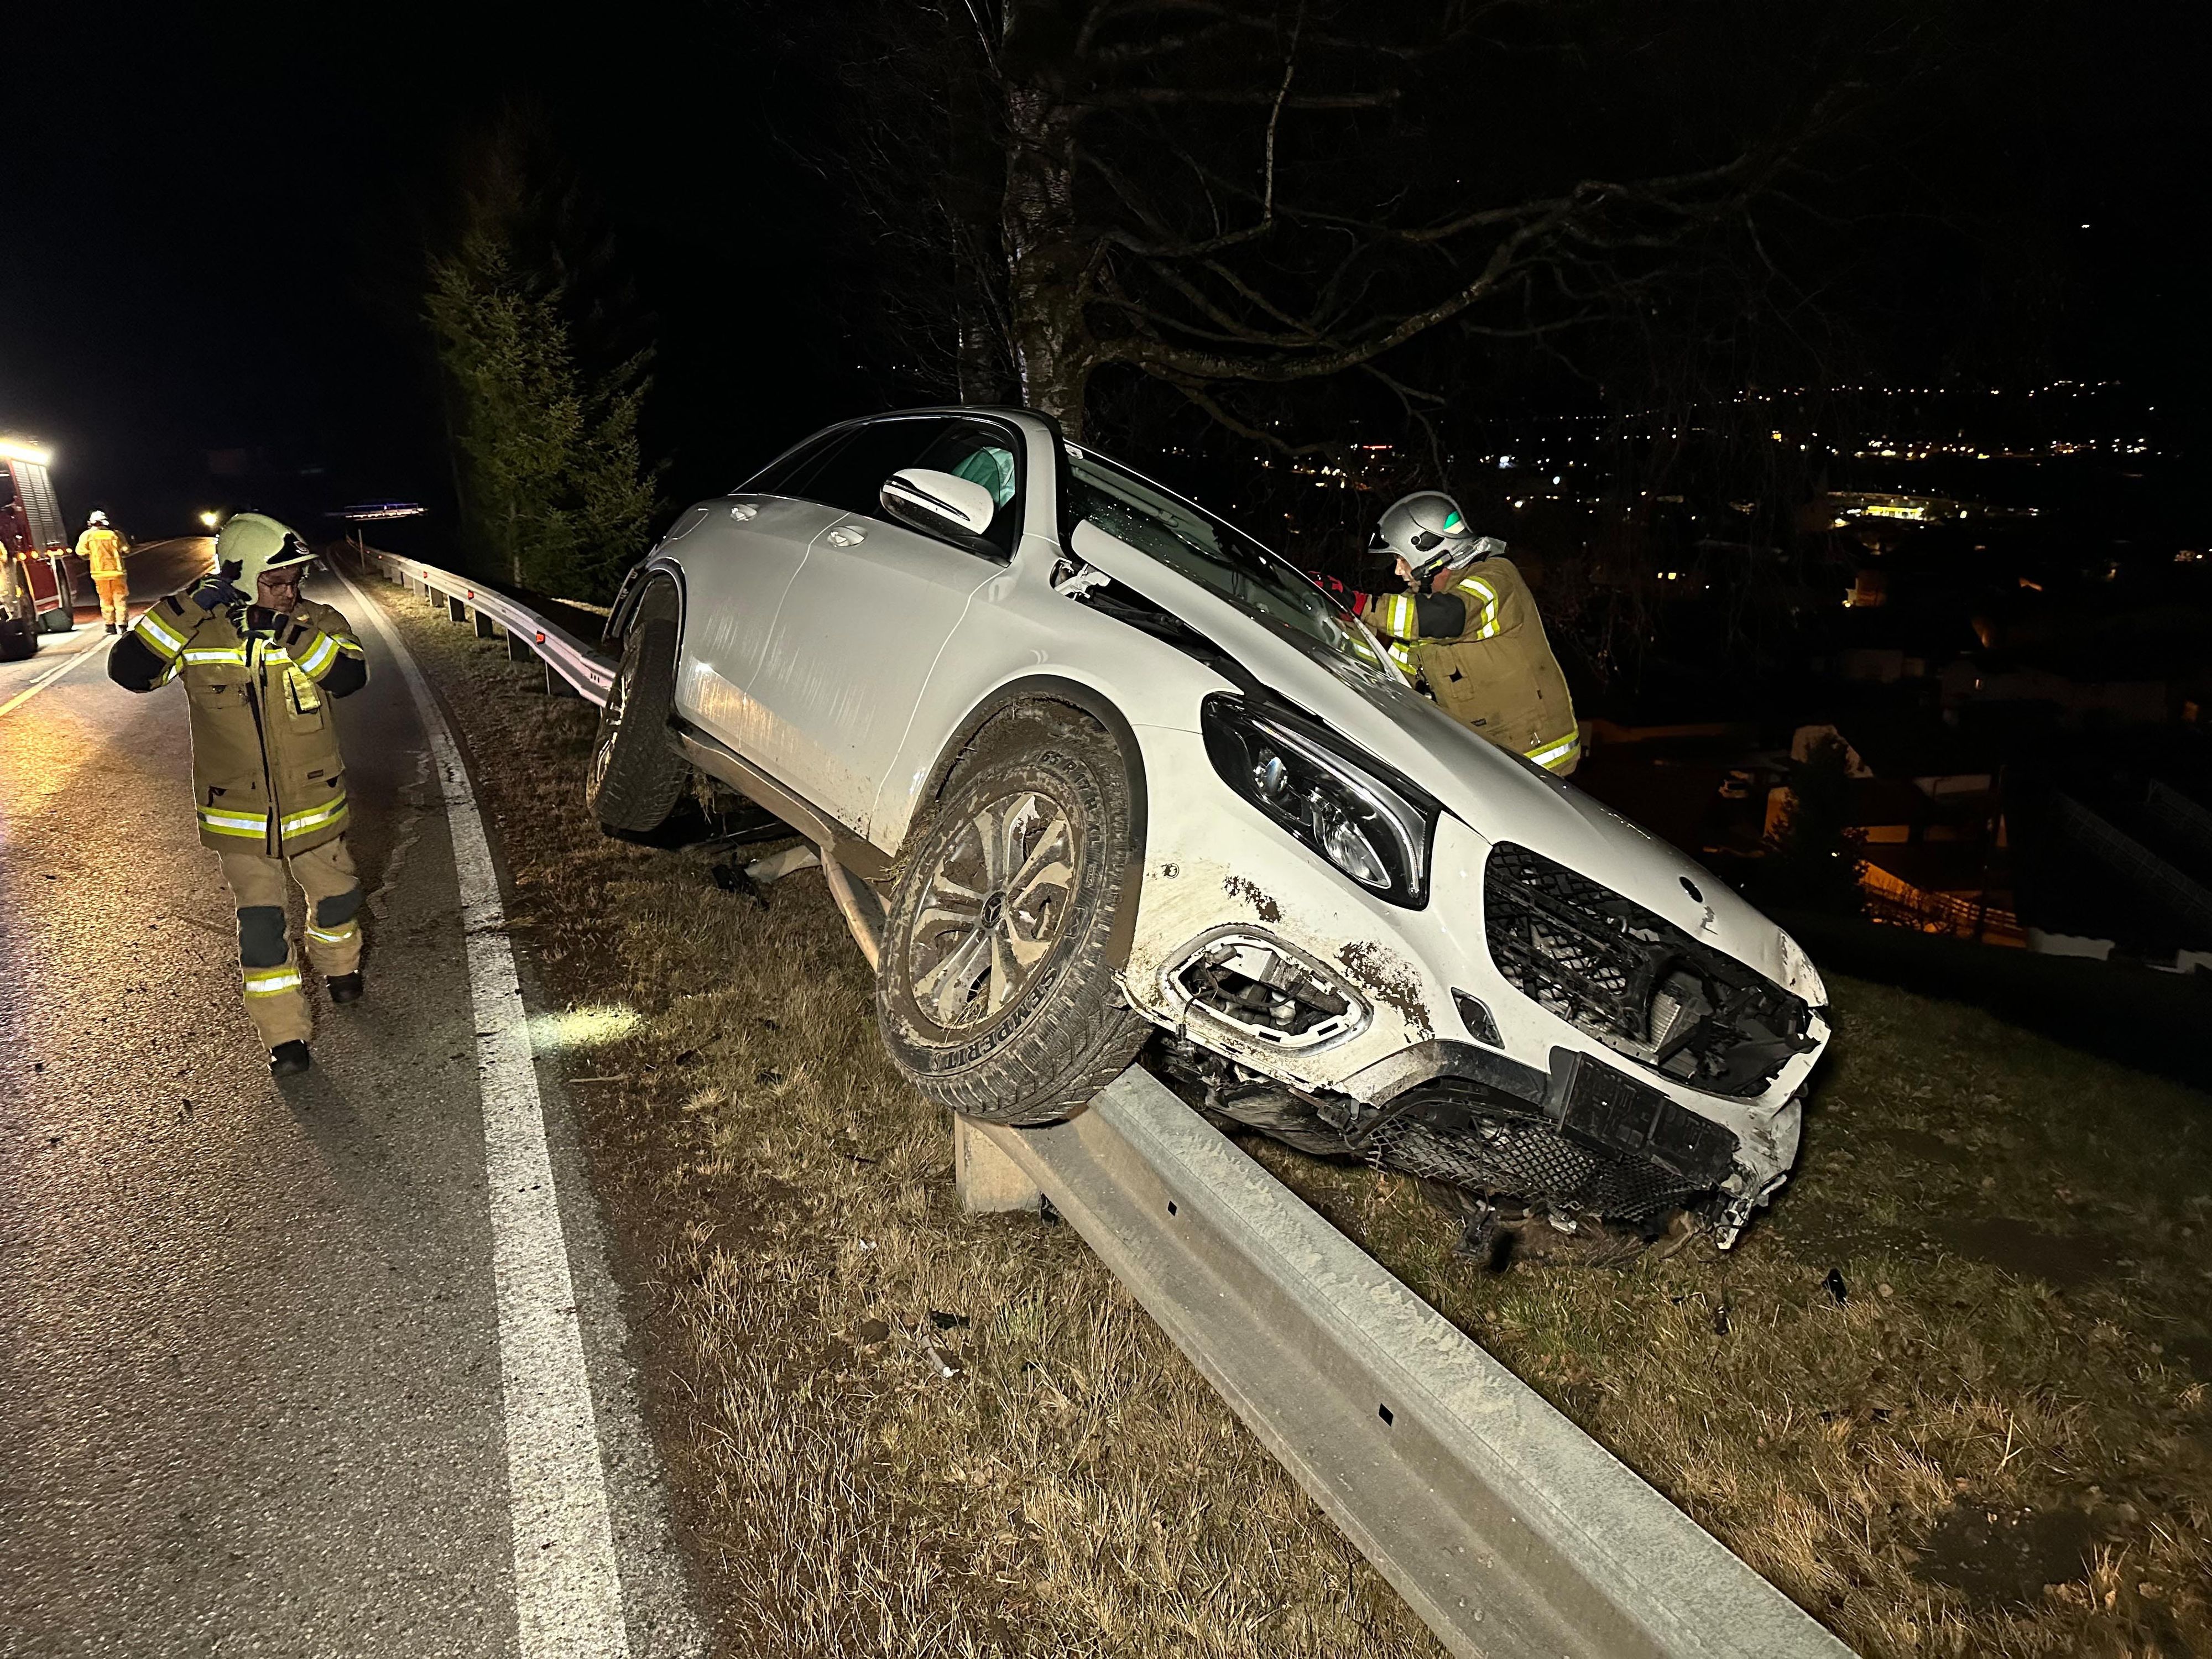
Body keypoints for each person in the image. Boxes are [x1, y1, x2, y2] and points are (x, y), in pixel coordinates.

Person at [108, 513, 370, 1076]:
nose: (290, 590)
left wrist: (284, 629)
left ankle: (340, 964)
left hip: (315, 805)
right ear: (242, 578)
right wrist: (190, 605)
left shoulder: (316, 622)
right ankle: (285, 1040)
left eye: (295, 579)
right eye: (276, 581)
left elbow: (348, 677)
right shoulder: (194, 632)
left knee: (338, 900)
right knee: (261, 931)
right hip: (240, 817)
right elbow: (131, 669)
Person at [1350, 491, 1580, 775]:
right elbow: (1393, 674)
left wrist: (1359, 603)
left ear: (1427, 549)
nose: (1398, 572)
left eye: (1401, 559)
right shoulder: (1423, 610)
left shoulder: (1495, 578)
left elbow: (1450, 618)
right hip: (1487, 753)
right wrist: (1334, 632)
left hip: (1535, 753)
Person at [78, 510, 130, 633]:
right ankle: (122, 624)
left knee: (105, 599)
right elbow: (126, 550)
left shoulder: (87, 536)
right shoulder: (116, 535)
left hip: (99, 573)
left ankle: (110, 625)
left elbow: (81, 552)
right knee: (120, 599)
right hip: (117, 572)